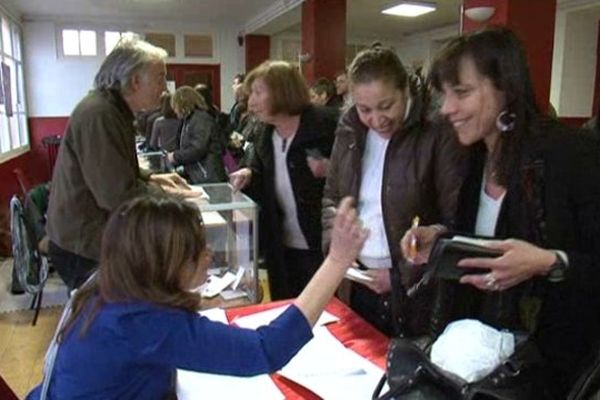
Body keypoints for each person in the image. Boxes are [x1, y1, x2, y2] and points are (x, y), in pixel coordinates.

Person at [401, 27, 600, 398]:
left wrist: (548, 261)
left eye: (461, 92)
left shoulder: (571, 154)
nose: (446, 109)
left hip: (546, 368)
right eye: (445, 95)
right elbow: (489, 242)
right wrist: (442, 238)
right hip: (481, 365)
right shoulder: (474, 156)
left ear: (506, 87)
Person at [26, 194, 368, 400]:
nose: (209, 256)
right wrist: (337, 261)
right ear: (163, 263)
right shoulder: (143, 323)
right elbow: (265, 349)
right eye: (196, 251)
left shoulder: (109, 284)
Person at [322, 44, 465, 336]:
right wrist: (336, 251)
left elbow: (455, 221)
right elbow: (331, 199)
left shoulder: (437, 131)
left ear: (406, 91)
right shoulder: (349, 129)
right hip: (357, 282)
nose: (377, 119)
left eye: (386, 106)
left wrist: (399, 278)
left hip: (413, 292)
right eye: (365, 109)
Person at [46, 36, 196, 292]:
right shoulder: (100, 113)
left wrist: (150, 178)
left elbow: (110, 165)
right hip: (83, 245)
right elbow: (116, 195)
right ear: (135, 81)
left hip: (89, 237)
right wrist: (170, 197)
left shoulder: (110, 109)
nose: (165, 88)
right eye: (160, 78)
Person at [230, 60, 339, 300]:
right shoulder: (263, 132)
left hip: (323, 248)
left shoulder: (328, 124)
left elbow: (355, 173)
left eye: (258, 92)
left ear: (282, 91)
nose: (250, 102)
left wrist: (333, 169)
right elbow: (260, 166)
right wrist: (250, 172)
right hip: (281, 248)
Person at [167, 86, 227, 184]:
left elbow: (198, 149)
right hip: (200, 175)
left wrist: (175, 156)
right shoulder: (191, 119)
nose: (174, 110)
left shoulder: (201, 119)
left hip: (208, 177)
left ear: (182, 104)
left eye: (175, 106)